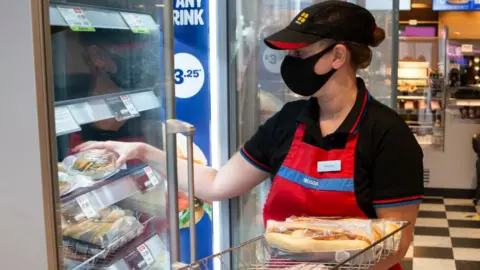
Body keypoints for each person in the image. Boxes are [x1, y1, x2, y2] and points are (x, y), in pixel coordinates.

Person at [74, 2, 423, 269]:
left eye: (299, 53)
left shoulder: (389, 135)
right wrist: (145, 152)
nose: (291, 61)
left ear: (338, 56)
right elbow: (216, 183)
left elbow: (396, 241)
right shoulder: (288, 122)